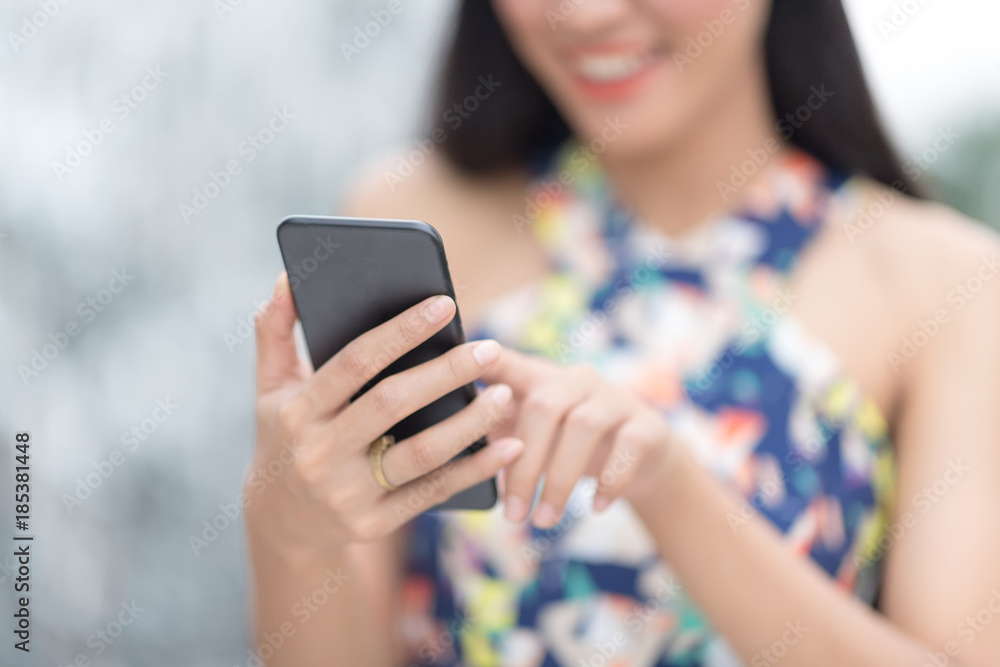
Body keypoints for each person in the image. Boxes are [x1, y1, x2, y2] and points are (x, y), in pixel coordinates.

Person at [247, 1, 1000, 665]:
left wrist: (664, 482)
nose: (586, 13)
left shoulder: (947, 283)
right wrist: (288, 526)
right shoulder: (413, 209)